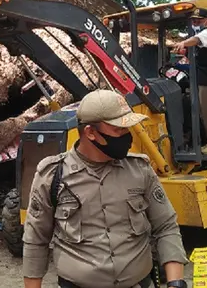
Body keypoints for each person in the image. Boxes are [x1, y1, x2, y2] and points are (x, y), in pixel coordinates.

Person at [22, 90, 188, 288]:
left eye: (128, 129)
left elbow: (166, 226)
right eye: (119, 130)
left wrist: (176, 282)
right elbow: (36, 240)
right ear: (90, 133)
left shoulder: (140, 170)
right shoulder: (52, 175)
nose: (127, 137)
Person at [171, 8, 207, 155]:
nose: (195, 22)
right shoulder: (198, 36)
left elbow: (196, 40)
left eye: (199, 20)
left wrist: (183, 43)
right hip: (201, 78)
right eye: (194, 20)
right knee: (194, 107)